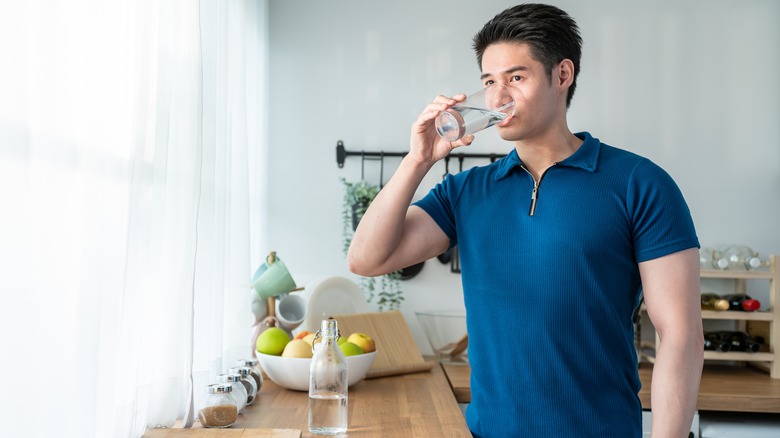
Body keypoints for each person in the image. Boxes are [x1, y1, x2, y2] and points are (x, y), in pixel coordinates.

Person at [348, 3, 702, 437]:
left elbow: (680, 335)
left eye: (516, 78)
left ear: (562, 75)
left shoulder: (639, 183)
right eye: (489, 81)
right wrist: (417, 160)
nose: (498, 98)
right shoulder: (467, 191)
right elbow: (366, 259)